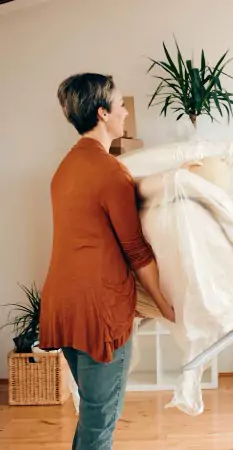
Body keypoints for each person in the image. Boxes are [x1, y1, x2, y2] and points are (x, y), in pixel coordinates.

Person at [39, 73, 175, 449]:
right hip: (99, 311)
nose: (126, 112)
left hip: (63, 304)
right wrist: (164, 304)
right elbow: (136, 250)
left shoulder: (64, 168)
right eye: (120, 105)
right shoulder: (110, 171)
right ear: (102, 114)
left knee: (93, 414)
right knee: (101, 420)